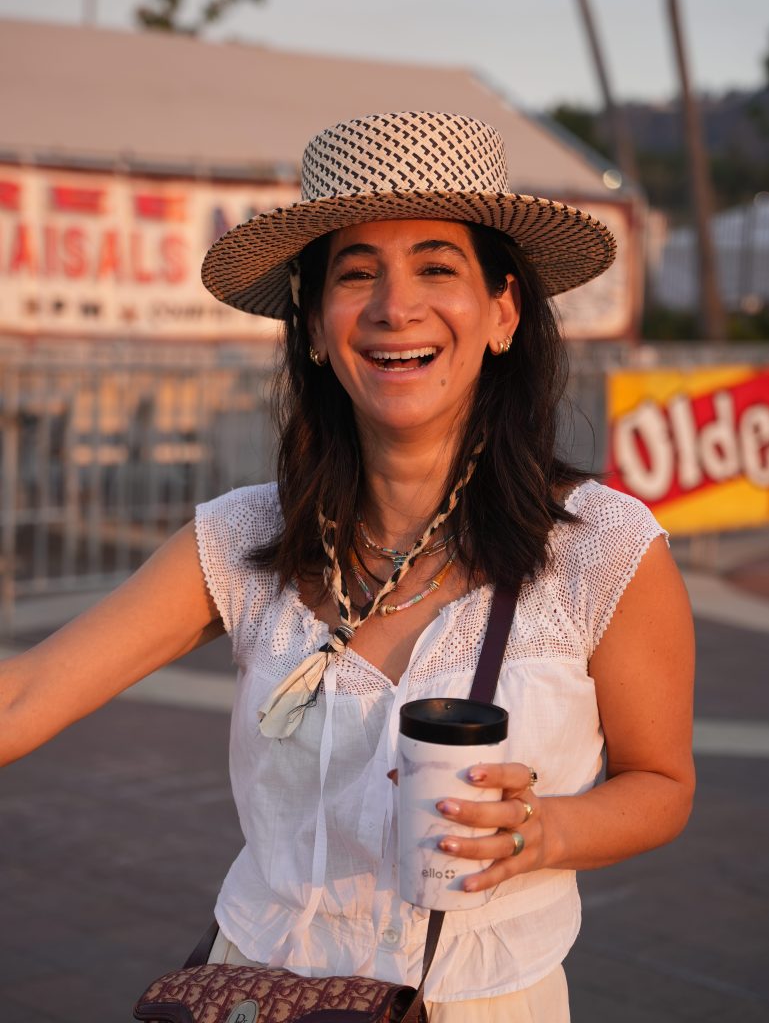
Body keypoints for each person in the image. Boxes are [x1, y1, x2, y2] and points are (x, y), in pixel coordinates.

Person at [0, 111, 694, 1021]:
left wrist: (541, 828)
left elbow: (662, 784)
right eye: (355, 272)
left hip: (485, 1001)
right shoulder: (242, 540)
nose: (393, 307)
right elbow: (23, 697)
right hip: (254, 991)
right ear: (317, 329)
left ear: (502, 311)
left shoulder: (602, 548)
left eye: (437, 267)